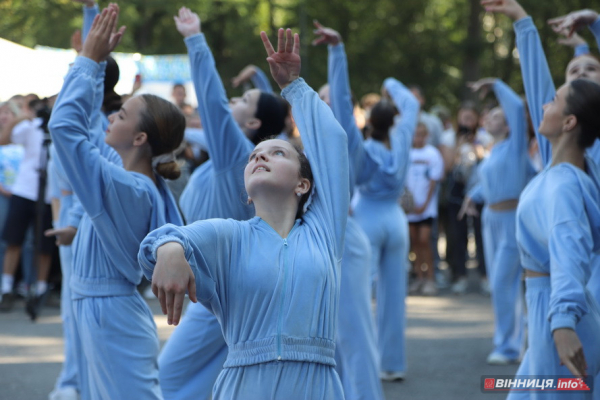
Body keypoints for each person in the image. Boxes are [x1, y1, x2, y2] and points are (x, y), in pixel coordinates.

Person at [139, 25, 349, 400]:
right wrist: (170, 247)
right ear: (246, 195)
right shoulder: (231, 235)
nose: (260, 155)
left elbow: (332, 142)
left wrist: (295, 87)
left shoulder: (323, 229)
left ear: (303, 184)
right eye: (255, 155)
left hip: (317, 387)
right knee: (168, 378)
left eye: (277, 152)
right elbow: (167, 237)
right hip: (244, 387)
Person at [47, 5, 184, 399]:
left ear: (139, 138)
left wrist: (88, 61)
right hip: (100, 310)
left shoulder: (129, 186)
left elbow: (66, 127)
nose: (111, 117)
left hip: (113, 317)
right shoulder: (126, 172)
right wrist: (95, 47)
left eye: (121, 113)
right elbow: (88, 123)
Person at [156, 8, 288, 400]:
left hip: (224, 288)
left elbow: (213, 104)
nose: (235, 97)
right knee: (217, 379)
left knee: (167, 376)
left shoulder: (238, 155)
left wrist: (195, 39)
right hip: (221, 287)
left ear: (250, 126)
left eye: (244, 99)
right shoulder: (230, 156)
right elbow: (205, 127)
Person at [483, 1, 600, 398]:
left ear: (571, 121)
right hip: (550, 305)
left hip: (565, 306)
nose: (544, 104)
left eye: (555, 100)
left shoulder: (567, 181)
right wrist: (522, 22)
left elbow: (569, 245)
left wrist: (563, 322)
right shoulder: (559, 169)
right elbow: (538, 91)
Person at [313, 21, 385, 399]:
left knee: (355, 335)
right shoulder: (310, 145)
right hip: (321, 242)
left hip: (345, 243)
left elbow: (341, 102)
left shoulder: (348, 141)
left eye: (330, 100)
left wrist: (336, 52)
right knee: (328, 338)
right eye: (319, 100)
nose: (326, 105)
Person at [459, 78, 533, 365]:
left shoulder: (516, 146)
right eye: (489, 115)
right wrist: (472, 197)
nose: (489, 118)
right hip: (491, 219)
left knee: (504, 282)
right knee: (500, 283)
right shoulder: (494, 150)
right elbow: (489, 182)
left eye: (496, 116)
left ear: (510, 125)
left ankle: (510, 346)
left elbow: (516, 107)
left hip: (512, 220)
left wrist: (497, 85)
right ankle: (511, 339)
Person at [352, 73, 420, 379]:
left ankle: (362, 360)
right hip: (395, 218)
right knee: (395, 292)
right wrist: (391, 83)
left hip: (367, 214)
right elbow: (411, 103)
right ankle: (393, 364)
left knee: (360, 290)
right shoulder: (404, 134)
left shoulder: (365, 148)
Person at [406, 122, 443, 296]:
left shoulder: (432, 154)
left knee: (424, 240)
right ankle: (419, 277)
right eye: (415, 134)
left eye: (421, 134)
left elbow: (434, 182)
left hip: (426, 208)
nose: (417, 138)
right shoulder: (406, 153)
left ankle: (430, 278)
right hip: (410, 208)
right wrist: (409, 204)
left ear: (426, 136)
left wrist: (425, 204)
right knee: (414, 242)